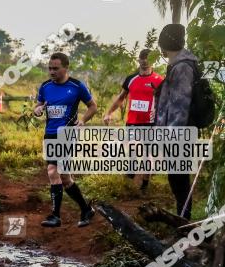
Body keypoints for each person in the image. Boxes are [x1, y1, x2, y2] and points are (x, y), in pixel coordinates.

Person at [33, 52, 98, 228]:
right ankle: (86, 209)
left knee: (53, 171)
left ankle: (55, 216)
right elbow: (38, 105)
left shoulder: (77, 86)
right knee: (65, 178)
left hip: (67, 134)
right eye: (49, 68)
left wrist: (83, 120)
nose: (51, 72)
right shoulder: (45, 86)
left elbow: (93, 106)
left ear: (65, 68)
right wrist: (37, 110)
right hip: (50, 133)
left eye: (55, 68)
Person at [102, 48, 164, 193]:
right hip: (133, 120)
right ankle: (130, 174)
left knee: (147, 153)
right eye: (141, 59)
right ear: (138, 60)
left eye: (147, 59)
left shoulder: (159, 80)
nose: (144, 62)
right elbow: (121, 97)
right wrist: (109, 112)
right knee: (131, 148)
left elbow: (165, 100)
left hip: (150, 122)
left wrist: (160, 116)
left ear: (152, 61)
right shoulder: (131, 79)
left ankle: (145, 184)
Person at [154, 23, 198, 219]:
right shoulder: (178, 65)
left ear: (164, 44)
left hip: (178, 135)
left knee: (179, 181)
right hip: (177, 134)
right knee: (177, 179)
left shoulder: (182, 68)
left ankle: (183, 223)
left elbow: (180, 107)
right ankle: (182, 220)